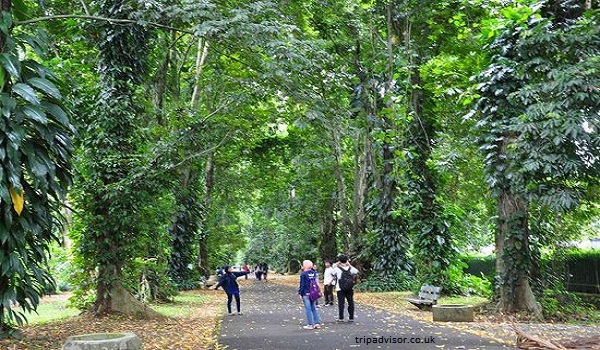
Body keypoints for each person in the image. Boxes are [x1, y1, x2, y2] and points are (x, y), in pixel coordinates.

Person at [332, 255, 359, 322]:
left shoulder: (337, 269)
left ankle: (341, 317)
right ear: (347, 260)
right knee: (350, 302)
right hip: (349, 288)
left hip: (340, 288)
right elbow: (356, 271)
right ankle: (351, 317)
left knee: (341, 303)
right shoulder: (350, 269)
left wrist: (336, 264)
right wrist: (349, 265)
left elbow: (332, 272)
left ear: (339, 261)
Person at [298, 260, 322, 330]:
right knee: (313, 308)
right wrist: (319, 291)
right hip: (313, 293)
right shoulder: (314, 273)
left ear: (305, 266)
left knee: (308, 309)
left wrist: (300, 293)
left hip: (306, 293)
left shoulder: (303, 274)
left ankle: (310, 324)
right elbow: (317, 283)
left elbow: (302, 285)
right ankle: (317, 323)